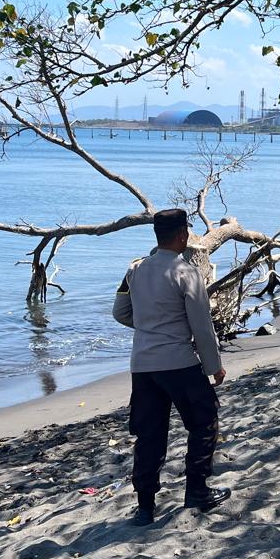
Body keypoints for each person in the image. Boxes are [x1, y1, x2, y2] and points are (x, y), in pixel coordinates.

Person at [112, 208, 230, 525]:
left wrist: (150, 325)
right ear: (182, 236)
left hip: (143, 365)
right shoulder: (186, 272)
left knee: (149, 434)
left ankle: (145, 506)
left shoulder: (134, 270)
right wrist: (213, 366)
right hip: (177, 361)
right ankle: (197, 490)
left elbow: (120, 312)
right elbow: (202, 325)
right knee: (204, 422)